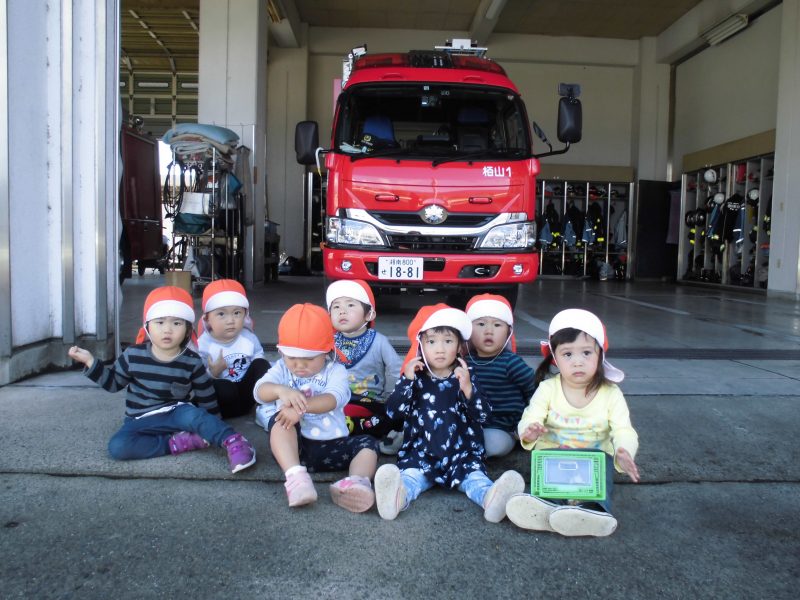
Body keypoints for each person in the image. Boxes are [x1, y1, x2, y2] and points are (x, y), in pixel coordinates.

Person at [67, 286, 256, 473]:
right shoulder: (133, 355)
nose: (167, 330)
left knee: (195, 416)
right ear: (147, 326)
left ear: (188, 329)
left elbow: (206, 395)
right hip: (140, 418)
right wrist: (91, 362)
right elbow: (113, 383)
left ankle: (234, 442)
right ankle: (177, 443)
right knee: (118, 446)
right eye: (160, 322)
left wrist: (212, 426)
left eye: (176, 323)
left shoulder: (191, 360)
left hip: (176, 412)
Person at [374, 304, 524, 522]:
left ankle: (491, 500)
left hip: (461, 454)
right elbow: (393, 412)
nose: (440, 349)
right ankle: (397, 499)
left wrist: (469, 391)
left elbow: (484, 416)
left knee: (475, 479)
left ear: (460, 346)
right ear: (420, 346)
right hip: (421, 453)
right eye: (431, 341)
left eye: (448, 341)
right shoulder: (414, 376)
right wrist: (406, 382)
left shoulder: (466, 375)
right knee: (410, 479)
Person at [505, 308, 640, 537]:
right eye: (568, 354)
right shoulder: (548, 388)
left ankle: (593, 513)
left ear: (600, 355)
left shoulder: (610, 392)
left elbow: (623, 428)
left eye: (586, 352)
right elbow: (531, 415)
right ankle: (544, 507)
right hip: (554, 457)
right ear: (555, 359)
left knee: (603, 469)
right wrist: (529, 432)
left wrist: (624, 450)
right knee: (548, 481)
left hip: (593, 461)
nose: (577, 362)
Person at [253, 303, 379, 513]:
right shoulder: (282, 368)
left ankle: (355, 484)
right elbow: (259, 391)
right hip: (296, 448)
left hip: (334, 445)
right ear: (282, 352)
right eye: (291, 357)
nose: (299, 365)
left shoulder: (335, 370)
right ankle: (296, 478)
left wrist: (300, 408)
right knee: (279, 422)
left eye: (309, 359)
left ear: (327, 352)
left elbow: (333, 399)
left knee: (369, 444)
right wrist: (280, 390)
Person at [326, 279, 403, 453]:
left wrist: (391, 396)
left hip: (370, 402)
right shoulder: (328, 342)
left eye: (351, 305)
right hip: (335, 400)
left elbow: (396, 369)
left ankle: (350, 431)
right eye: (336, 307)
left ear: (369, 315)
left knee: (393, 414)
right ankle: (364, 432)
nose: (342, 311)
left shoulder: (379, 341)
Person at [464, 293, 535, 457]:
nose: (488, 331)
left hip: (502, 427)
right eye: (480, 324)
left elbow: (535, 393)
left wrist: (527, 424)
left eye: (497, 325)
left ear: (508, 332)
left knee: (493, 444)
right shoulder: (463, 363)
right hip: (469, 423)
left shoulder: (512, 363)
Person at [197, 279, 270, 419]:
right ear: (207, 319)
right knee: (224, 388)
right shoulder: (203, 345)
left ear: (245, 315)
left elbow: (259, 363)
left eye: (237, 313)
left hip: (247, 397)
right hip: (222, 404)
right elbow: (198, 381)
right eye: (221, 314)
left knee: (262, 364)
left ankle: (266, 408)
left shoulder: (248, 337)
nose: (230, 320)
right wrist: (213, 372)